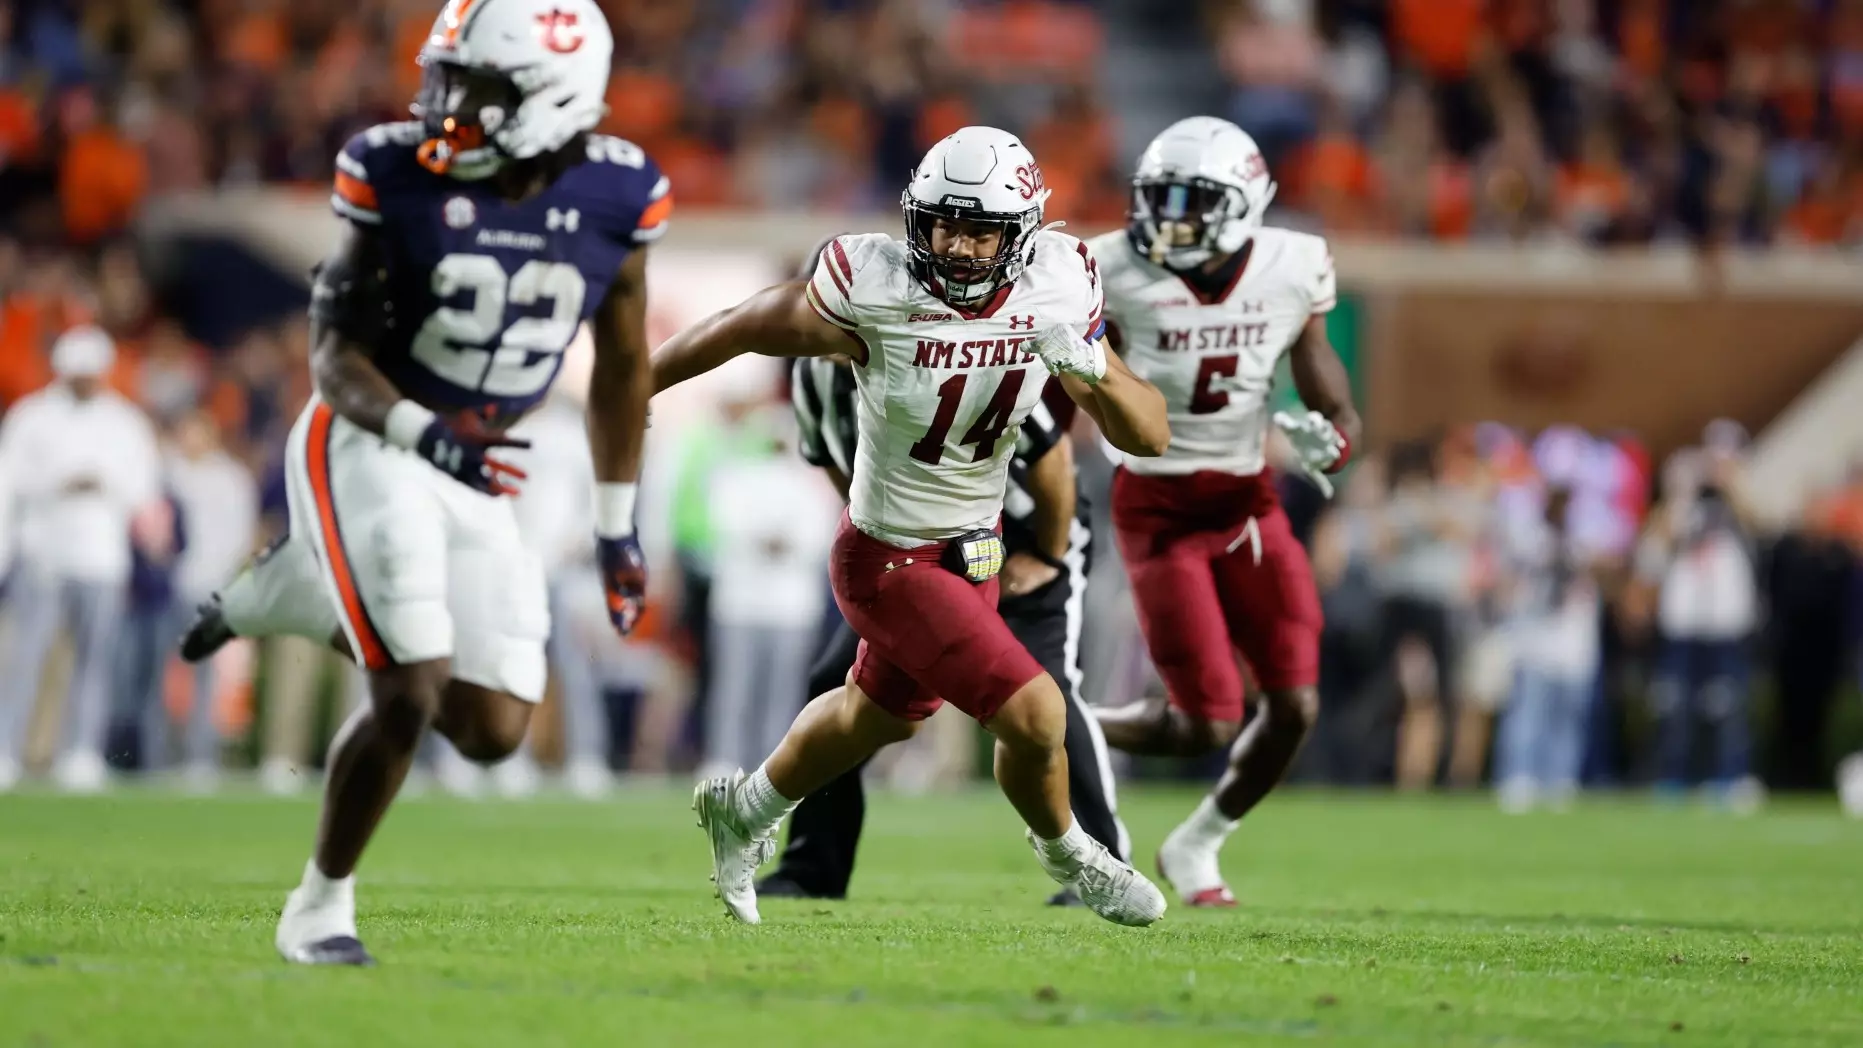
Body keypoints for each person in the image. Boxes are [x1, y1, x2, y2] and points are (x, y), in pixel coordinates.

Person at [177, 0, 660, 965]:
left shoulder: (622, 192)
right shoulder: (389, 169)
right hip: (371, 436)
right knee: (411, 688)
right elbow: (334, 357)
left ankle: (301, 592)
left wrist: (616, 526)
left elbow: (620, 364)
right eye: (446, 76)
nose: (444, 103)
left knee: (491, 730)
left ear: (552, 99)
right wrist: (420, 432)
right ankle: (319, 908)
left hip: (476, 464)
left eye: (474, 86)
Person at [653, 126, 1172, 927]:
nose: (958, 246)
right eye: (943, 224)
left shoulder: (1059, 288)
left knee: (873, 718)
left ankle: (745, 813)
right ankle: (1077, 856)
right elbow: (742, 324)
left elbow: (1148, 435)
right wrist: (634, 385)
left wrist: (1092, 370)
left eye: (979, 230)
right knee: (1036, 714)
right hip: (889, 556)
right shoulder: (876, 285)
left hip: (978, 550)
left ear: (1023, 234)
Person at [757, 244, 1129, 903]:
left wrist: (1042, 556)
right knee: (837, 687)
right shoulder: (813, 374)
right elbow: (839, 471)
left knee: (1047, 692)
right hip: (915, 551)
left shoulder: (957, 339)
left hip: (1020, 530)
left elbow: (1052, 466)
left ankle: (1097, 858)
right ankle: (811, 868)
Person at [1085, 116, 1360, 907]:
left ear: (1246, 204)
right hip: (1158, 502)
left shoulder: (1293, 263)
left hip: (1246, 500)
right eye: (1157, 197)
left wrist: (1334, 445)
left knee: (1294, 703)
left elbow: (1334, 403)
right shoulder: (1104, 264)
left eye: (1191, 201)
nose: (1167, 218)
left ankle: (1198, 841)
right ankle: (1061, 720)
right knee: (1206, 720)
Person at [0, 325, 160, 793]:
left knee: (95, 662)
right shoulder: (31, 416)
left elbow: (143, 488)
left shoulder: (124, 422)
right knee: (27, 658)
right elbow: (9, 482)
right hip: (43, 553)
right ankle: (7, 749)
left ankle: (83, 752)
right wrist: (59, 483)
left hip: (102, 557)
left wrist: (103, 482)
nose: (85, 382)